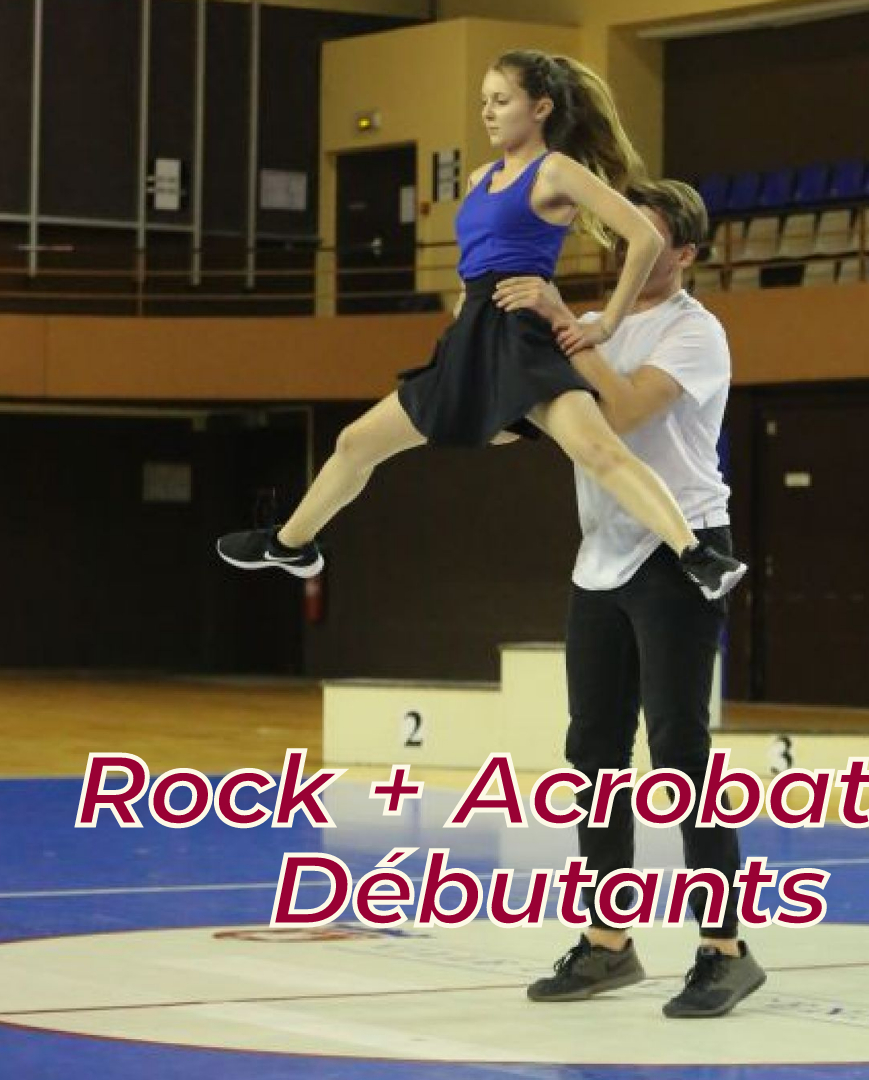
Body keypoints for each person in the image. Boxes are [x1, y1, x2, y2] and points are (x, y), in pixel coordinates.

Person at [216, 50, 746, 602]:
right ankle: (293, 544)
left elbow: (646, 238)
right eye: (484, 103)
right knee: (356, 442)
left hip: (522, 338)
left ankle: (696, 553)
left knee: (600, 451)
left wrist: (607, 322)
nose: (488, 113)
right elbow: (479, 260)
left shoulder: (557, 171)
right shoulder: (478, 177)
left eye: (501, 101)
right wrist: (465, 304)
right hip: (471, 338)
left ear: (540, 108)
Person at [495, 179, 765, 1018]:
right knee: (595, 756)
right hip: (601, 560)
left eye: (646, 236)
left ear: (682, 252)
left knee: (680, 750)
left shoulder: (695, 331)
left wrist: (560, 326)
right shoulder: (599, 325)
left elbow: (624, 406)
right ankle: (610, 943)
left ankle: (726, 949)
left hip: (682, 548)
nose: (627, 249)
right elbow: (537, 418)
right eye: (623, 235)